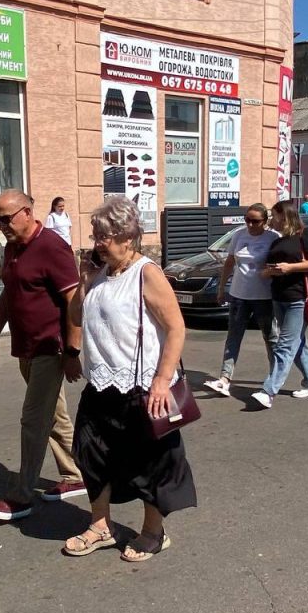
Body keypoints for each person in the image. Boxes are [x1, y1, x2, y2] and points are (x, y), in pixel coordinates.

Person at [62, 195, 196, 561]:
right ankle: (100, 526)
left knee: (151, 463)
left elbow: (176, 328)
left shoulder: (146, 273)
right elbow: (75, 317)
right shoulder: (100, 274)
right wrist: (84, 281)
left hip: (142, 387)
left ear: (127, 234)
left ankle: (153, 532)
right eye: (95, 235)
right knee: (91, 454)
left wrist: (162, 380)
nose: (97, 243)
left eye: (104, 236)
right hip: (101, 385)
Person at [0, 189, 86, 521]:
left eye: (6, 219)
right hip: (25, 348)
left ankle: (22, 495)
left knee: (33, 419)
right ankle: (76, 474)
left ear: (27, 212)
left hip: (49, 348)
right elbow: (9, 294)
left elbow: (73, 301)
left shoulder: (52, 246)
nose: (2, 226)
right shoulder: (12, 248)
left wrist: (72, 351)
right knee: (53, 414)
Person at [250, 202, 308, 408]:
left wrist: (290, 268)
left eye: (273, 216)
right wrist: (269, 272)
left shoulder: (306, 235)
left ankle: (268, 391)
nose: (271, 220)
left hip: (299, 298)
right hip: (279, 297)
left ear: (284, 216)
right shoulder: (277, 241)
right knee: (298, 343)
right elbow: (266, 269)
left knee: (285, 345)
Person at [203, 203, 279, 397]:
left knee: (271, 338)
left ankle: (275, 378)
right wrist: (222, 288)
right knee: (233, 337)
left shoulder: (273, 238)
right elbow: (229, 263)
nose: (250, 225)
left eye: (255, 221)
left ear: (265, 221)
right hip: (239, 295)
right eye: (247, 220)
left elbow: (281, 264)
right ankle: (224, 379)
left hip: (263, 296)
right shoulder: (239, 235)